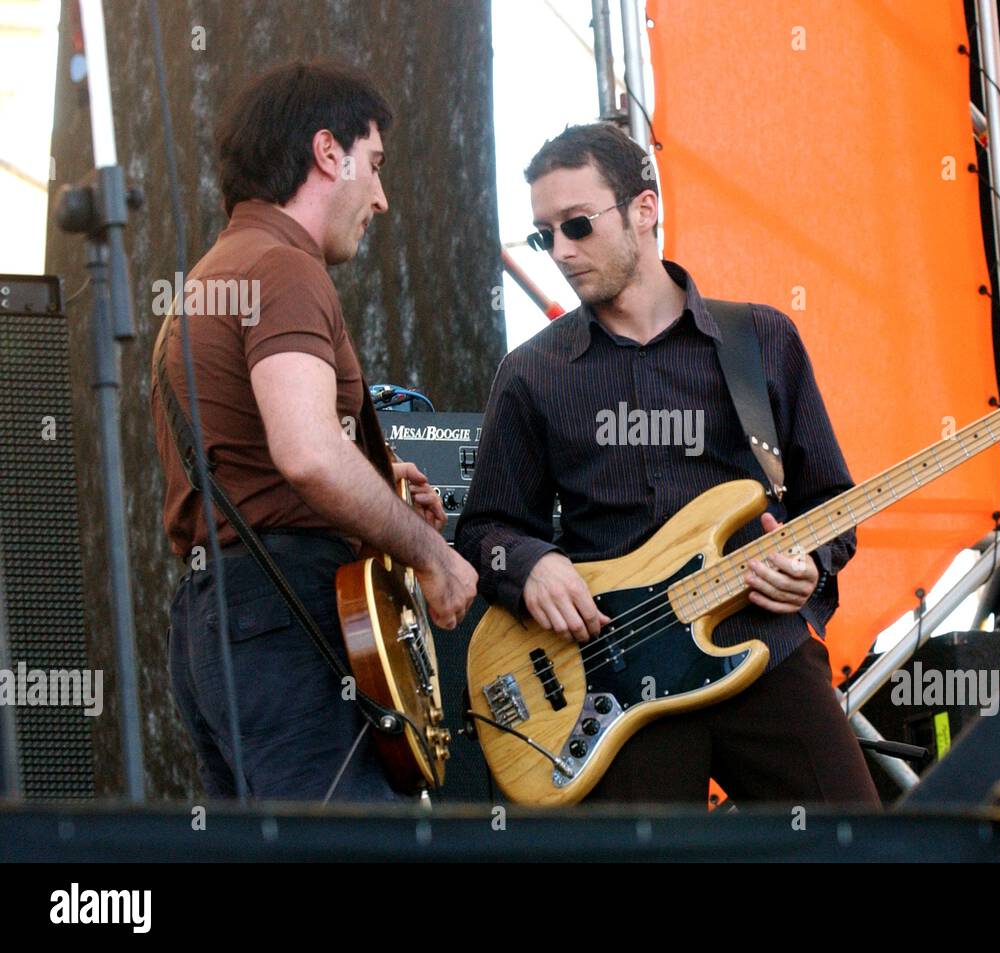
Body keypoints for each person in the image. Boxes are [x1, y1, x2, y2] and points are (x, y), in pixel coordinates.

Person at [455, 123, 879, 807]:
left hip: (760, 647)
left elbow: (831, 500)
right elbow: (484, 530)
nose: (561, 251)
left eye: (579, 224)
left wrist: (811, 564)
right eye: (545, 234)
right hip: (613, 677)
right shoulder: (531, 373)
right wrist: (532, 563)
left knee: (862, 848)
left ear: (645, 208)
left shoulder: (761, 339)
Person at [150, 61, 477, 801]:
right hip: (285, 613)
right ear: (329, 153)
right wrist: (432, 554)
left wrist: (385, 488)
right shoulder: (283, 270)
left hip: (219, 621)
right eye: (376, 164)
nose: (383, 198)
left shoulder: (206, 281)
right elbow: (306, 452)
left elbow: (256, 463)